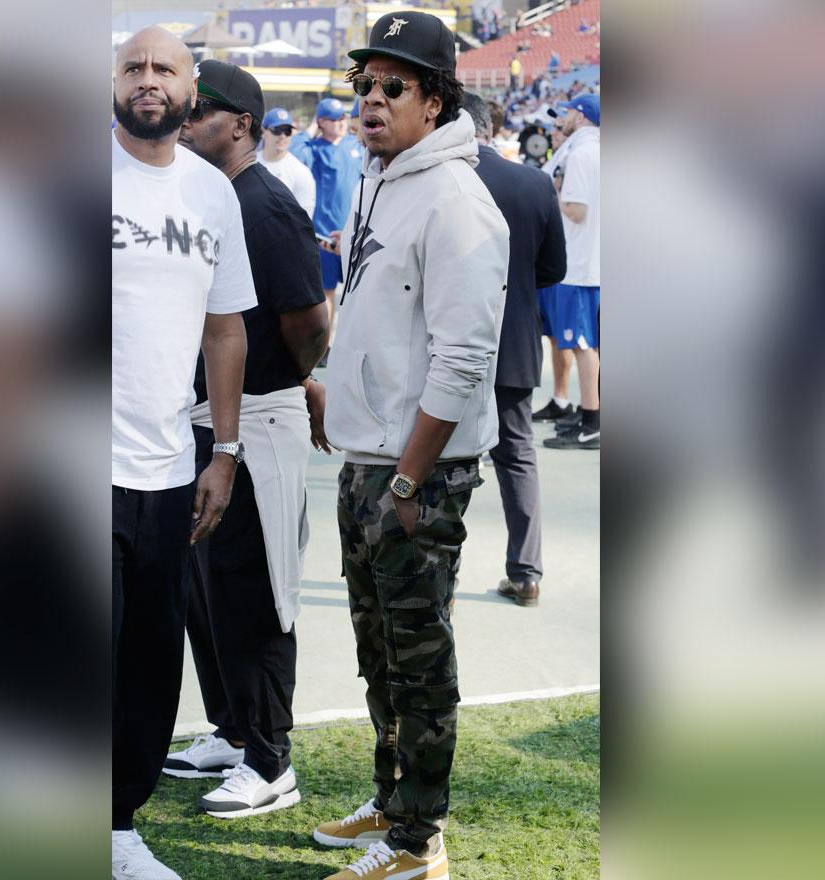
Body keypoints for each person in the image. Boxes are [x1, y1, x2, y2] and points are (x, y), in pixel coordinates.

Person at [312, 13, 509, 880]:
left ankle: (420, 837)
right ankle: (392, 801)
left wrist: (407, 479)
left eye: (393, 87)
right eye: (364, 85)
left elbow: (467, 355)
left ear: (435, 99)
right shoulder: (379, 176)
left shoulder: (458, 199)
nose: (372, 101)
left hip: (417, 471)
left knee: (419, 656)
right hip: (370, 460)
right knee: (377, 650)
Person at [163, 59, 330, 820]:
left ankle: (271, 759)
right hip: (208, 422)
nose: (187, 119)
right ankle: (233, 732)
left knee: (255, 593)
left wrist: (288, 380)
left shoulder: (264, 206)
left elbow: (309, 320)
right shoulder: (211, 198)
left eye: (203, 111)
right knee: (208, 595)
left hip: (257, 421)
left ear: (241, 125)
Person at [111, 28, 254, 880]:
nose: (148, 80)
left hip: (167, 470)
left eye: (164, 69)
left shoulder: (211, 195)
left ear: (190, 89)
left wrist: (224, 451)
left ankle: (117, 826)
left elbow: (226, 328)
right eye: (134, 67)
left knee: (149, 663)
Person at [462, 93, 566, 607]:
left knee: (438, 456)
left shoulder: (439, 180)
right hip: (514, 340)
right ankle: (526, 574)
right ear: (492, 125)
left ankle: (439, 576)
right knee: (517, 456)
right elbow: (554, 269)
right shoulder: (533, 181)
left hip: (449, 342)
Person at [543, 93, 601, 450]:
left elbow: (576, 210)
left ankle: (592, 419)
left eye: (566, 112)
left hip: (578, 263)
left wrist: (554, 191)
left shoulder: (581, 153)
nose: (561, 118)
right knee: (587, 344)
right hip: (591, 260)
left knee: (582, 345)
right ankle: (587, 413)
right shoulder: (595, 149)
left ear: (579, 117)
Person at [292, 96, 364, 340]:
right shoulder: (313, 149)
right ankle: (326, 344)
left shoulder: (356, 145)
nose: (341, 122)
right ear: (322, 122)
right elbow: (294, 153)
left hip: (354, 233)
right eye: (334, 119)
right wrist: (312, 128)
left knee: (358, 292)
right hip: (324, 233)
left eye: (342, 117)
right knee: (327, 292)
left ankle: (354, 339)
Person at [256, 106, 316, 219]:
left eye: (287, 131)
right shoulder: (250, 163)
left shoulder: (301, 172)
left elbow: (304, 220)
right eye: (277, 130)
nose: (282, 136)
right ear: (263, 132)